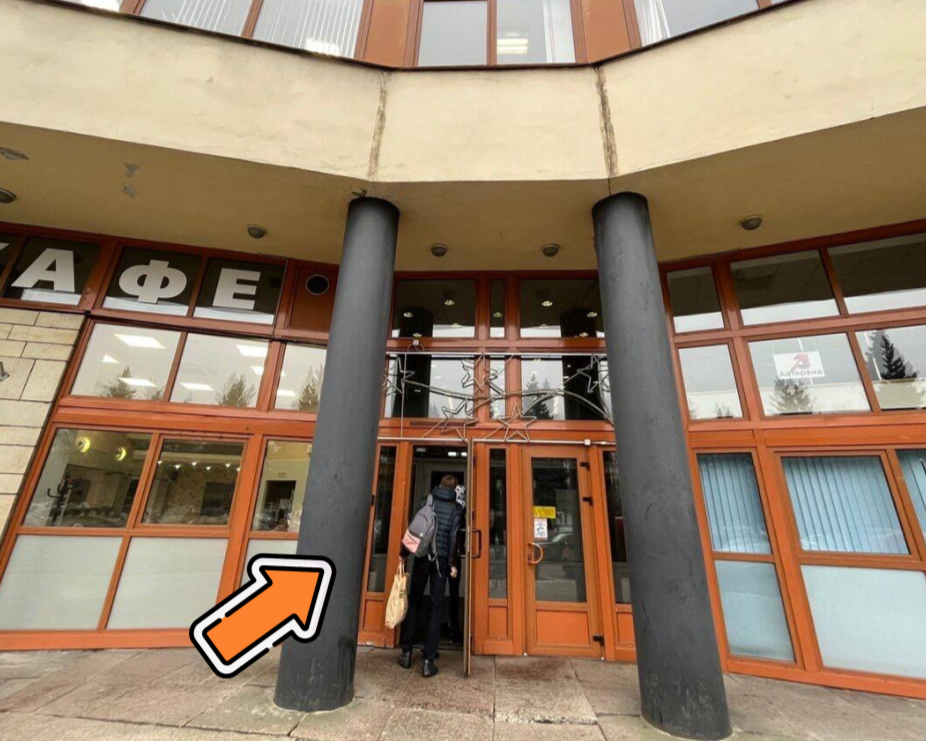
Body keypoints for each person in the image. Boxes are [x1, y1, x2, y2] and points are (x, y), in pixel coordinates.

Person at [398, 475, 463, 678]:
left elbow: (415, 528)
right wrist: (452, 564)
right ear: (454, 489)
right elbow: (453, 537)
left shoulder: (426, 501)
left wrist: (403, 552)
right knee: (436, 607)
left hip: (422, 558)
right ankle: (428, 660)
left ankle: (406, 652)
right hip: (440, 562)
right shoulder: (456, 509)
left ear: (439, 485)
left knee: (414, 600)